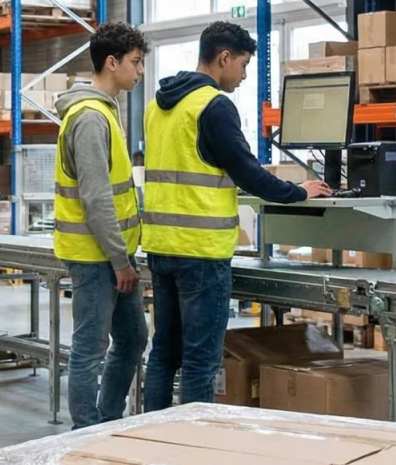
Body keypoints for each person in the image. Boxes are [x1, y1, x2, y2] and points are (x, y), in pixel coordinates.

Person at [141, 21, 333, 410]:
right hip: (201, 253)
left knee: (164, 353)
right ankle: (191, 442)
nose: (245, 76)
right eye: (243, 65)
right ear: (224, 58)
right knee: (200, 360)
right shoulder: (213, 106)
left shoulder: (158, 106)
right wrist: (299, 191)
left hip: (161, 247)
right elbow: (247, 171)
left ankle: (153, 438)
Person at [53, 22, 148, 429]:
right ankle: (85, 430)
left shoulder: (107, 111)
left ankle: (108, 418)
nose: (140, 71)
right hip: (97, 258)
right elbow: (96, 198)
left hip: (113, 255)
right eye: (136, 62)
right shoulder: (90, 118)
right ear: (112, 63)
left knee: (132, 339)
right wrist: (119, 261)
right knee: (90, 348)